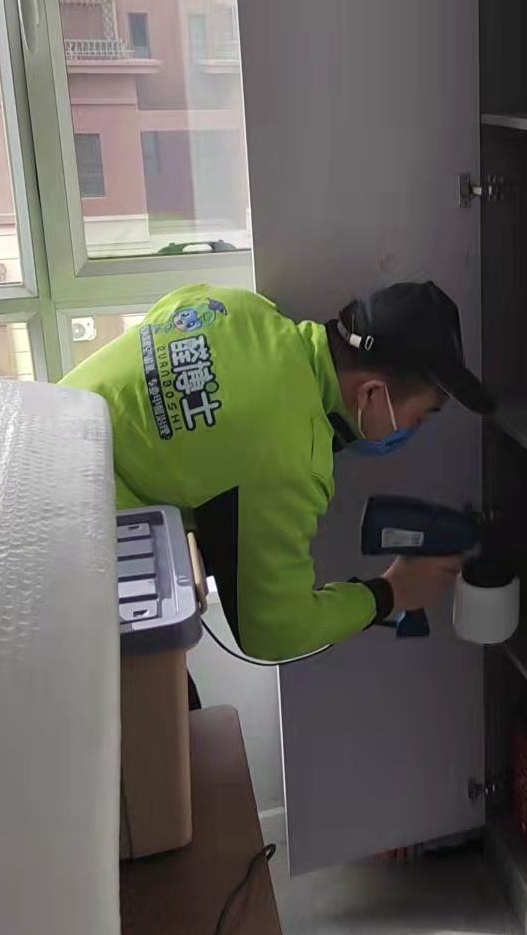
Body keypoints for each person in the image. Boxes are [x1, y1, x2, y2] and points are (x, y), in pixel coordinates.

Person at [62, 280, 492, 662]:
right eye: (419, 417)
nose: (412, 431)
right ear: (372, 394)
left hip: (40, 440)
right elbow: (273, 633)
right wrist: (391, 592)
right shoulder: (291, 456)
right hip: (62, 551)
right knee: (168, 704)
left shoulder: (239, 306)